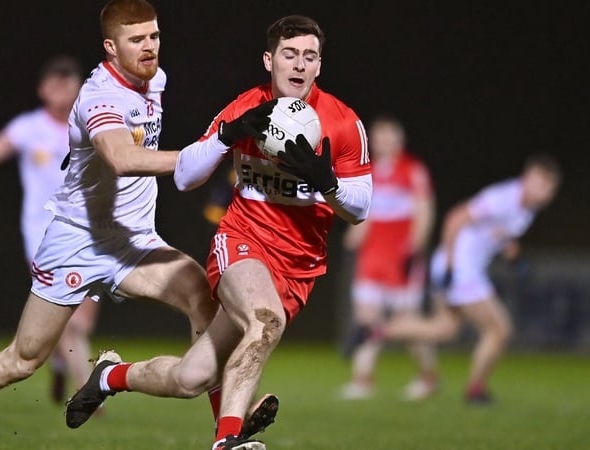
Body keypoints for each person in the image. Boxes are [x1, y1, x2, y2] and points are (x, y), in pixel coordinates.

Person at [0, 1, 275, 448]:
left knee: (204, 299)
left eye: (154, 36)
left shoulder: (157, 79)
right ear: (111, 47)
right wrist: (207, 151)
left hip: (134, 242)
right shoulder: (100, 97)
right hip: (78, 242)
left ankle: (224, 433)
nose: (149, 47)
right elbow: (122, 157)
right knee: (22, 359)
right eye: (137, 40)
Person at [65, 15, 373, 450]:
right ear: (270, 60)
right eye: (289, 54)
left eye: (309, 56)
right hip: (243, 242)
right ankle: (228, 440)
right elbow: (186, 177)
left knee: (192, 377)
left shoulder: (341, 123)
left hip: (297, 267)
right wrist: (227, 136)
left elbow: (359, 208)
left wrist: (327, 182)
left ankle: (110, 375)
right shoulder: (245, 106)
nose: (299, 65)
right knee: (265, 323)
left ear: (319, 65)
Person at [344, 153, 562, 404]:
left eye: (549, 187)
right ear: (527, 178)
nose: (543, 191)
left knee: (444, 329)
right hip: (460, 267)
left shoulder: (526, 210)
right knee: (499, 330)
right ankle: (475, 390)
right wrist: (449, 266)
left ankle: (375, 331)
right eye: (540, 183)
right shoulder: (504, 197)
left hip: (462, 268)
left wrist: (514, 257)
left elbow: (500, 233)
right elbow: (456, 218)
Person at [0, 55, 98, 404]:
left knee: (81, 322)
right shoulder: (29, 127)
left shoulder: (88, 125)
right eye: (55, 85)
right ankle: (87, 392)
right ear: (43, 89)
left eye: (68, 84)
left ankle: (60, 363)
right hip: (44, 236)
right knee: (69, 320)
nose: (62, 92)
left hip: (88, 230)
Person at [338, 114, 437, 401]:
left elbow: (424, 210)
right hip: (371, 259)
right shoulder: (366, 171)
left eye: (389, 136)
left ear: (400, 140)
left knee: (406, 322)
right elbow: (363, 212)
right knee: (365, 318)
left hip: (400, 258)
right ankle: (362, 380)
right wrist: (354, 234)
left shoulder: (412, 170)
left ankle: (427, 377)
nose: (383, 142)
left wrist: (415, 247)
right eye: (379, 137)